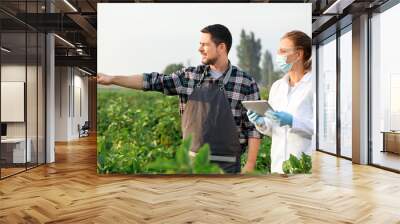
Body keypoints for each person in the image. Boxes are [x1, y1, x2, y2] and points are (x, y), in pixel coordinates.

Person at [98, 24, 261, 174]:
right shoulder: (189, 76)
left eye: (204, 44)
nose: (199, 49)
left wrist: (250, 164)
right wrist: (113, 79)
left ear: (221, 47)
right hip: (191, 164)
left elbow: (253, 128)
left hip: (228, 167)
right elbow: (152, 81)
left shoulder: (245, 83)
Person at [247, 30, 314, 174]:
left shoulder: (314, 85)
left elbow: (324, 132)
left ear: (298, 54)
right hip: (278, 167)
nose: (278, 56)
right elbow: (274, 130)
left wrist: (292, 121)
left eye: (283, 51)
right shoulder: (278, 86)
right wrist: (261, 123)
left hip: (304, 166)